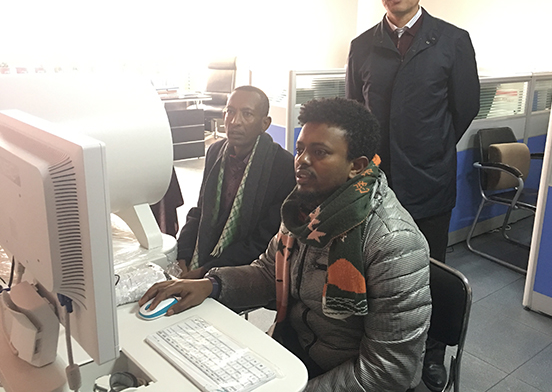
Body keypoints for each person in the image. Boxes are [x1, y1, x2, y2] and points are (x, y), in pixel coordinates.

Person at [140, 97, 431, 392]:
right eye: (300, 149)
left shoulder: (393, 243)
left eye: (319, 152)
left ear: (356, 166)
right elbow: (269, 273)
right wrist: (210, 285)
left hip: (343, 373)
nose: (302, 160)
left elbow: (389, 370)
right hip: (295, 351)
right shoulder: (302, 210)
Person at [345, 0, 480, 389]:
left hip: (429, 184)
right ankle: (371, 348)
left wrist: (430, 150)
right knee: (373, 271)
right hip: (373, 186)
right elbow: (353, 115)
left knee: (428, 274)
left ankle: (432, 354)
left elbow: (465, 108)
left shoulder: (452, 41)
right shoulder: (363, 46)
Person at [176, 85, 295, 278]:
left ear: (265, 123)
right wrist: (182, 256)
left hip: (247, 269)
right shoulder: (215, 152)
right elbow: (200, 211)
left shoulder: (283, 166)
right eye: (230, 111)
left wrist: (207, 272)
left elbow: (264, 239)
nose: (234, 121)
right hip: (205, 254)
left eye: (247, 114)